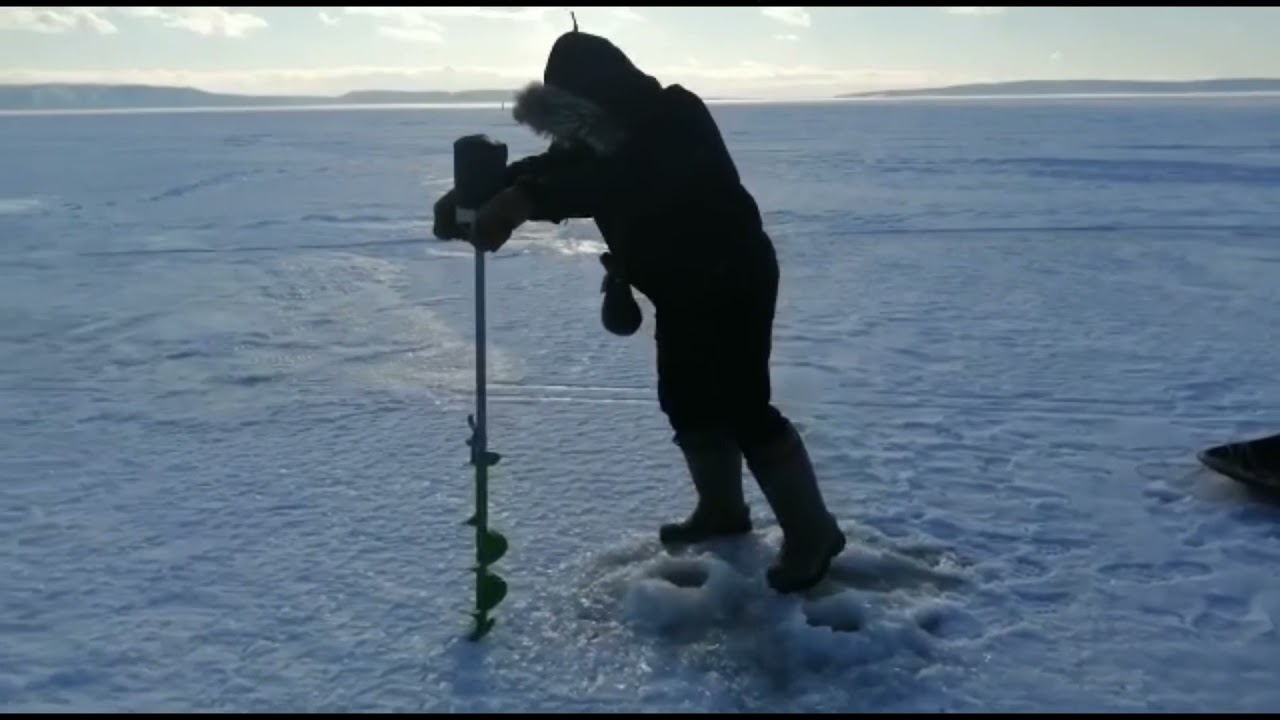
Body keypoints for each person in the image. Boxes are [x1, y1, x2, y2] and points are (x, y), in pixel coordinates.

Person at [432, 28, 845, 593]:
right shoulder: (596, 137)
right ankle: (722, 510)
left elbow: (621, 180)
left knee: (744, 407)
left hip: (733, 280)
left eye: (574, 121)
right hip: (676, 287)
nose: (569, 137)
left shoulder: (675, 116)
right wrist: (483, 190)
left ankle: (813, 532)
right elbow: (560, 170)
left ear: (602, 98)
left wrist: (527, 200)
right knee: (685, 399)